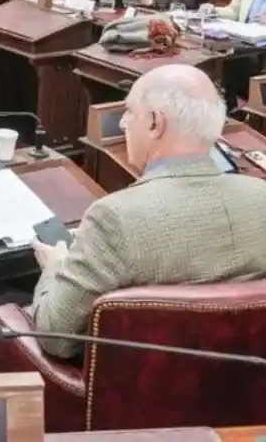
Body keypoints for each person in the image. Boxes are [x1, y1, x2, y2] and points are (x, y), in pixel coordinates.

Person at [30, 64, 266, 359]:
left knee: (3, 300)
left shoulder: (114, 218)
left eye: (129, 111)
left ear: (155, 122)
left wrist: (56, 267)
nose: (122, 123)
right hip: (244, 389)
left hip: (132, 395)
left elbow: (55, 336)